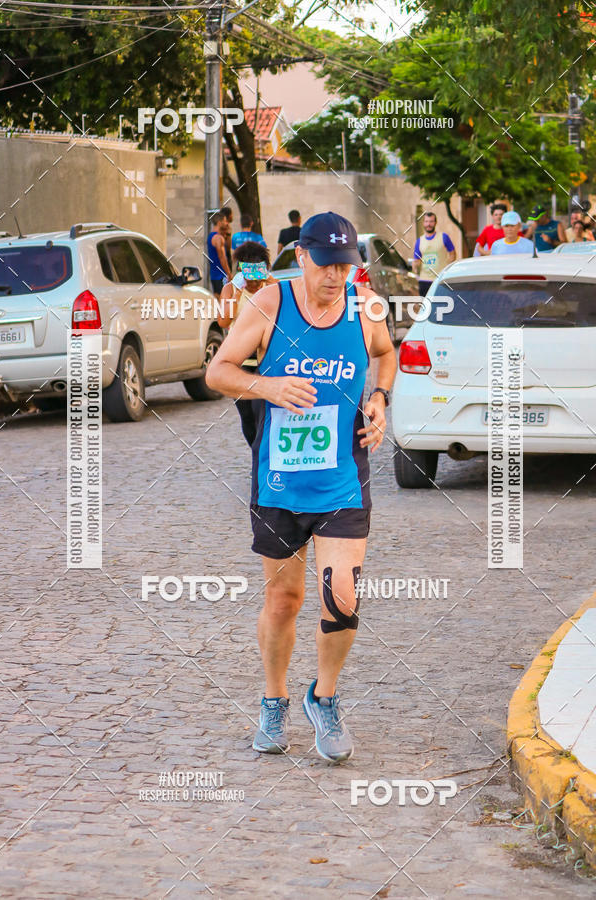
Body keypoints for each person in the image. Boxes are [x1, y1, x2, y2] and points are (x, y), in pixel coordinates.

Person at [206, 211, 396, 763]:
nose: (338, 276)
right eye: (328, 263)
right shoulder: (269, 304)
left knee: (342, 598)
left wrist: (380, 398)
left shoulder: (366, 309)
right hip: (279, 481)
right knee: (284, 600)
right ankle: (273, 699)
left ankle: (325, 697)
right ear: (303, 256)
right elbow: (219, 371)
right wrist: (267, 385)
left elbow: (386, 355)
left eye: (347, 264)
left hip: (342, 477)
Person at [217, 241, 276, 446]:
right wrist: (238, 294)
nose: (254, 285)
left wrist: (270, 282)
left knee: (264, 414)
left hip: (266, 361)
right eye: (250, 279)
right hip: (240, 362)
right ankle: (256, 454)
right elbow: (224, 321)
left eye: (257, 279)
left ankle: (263, 460)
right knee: (248, 417)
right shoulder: (230, 290)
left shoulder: (272, 288)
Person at [413, 212, 456, 296]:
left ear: (435, 222)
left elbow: (453, 254)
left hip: (440, 279)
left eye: (431, 221)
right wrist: (414, 265)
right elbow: (417, 260)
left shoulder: (444, 237)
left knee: (441, 306)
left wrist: (447, 267)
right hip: (424, 281)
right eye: (426, 221)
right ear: (423, 223)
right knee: (426, 307)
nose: (429, 224)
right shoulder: (419, 241)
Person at [207, 212, 232, 297]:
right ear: (219, 222)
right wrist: (229, 273)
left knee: (218, 300)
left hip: (214, 275)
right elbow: (222, 257)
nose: (227, 223)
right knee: (224, 300)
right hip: (221, 275)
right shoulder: (218, 238)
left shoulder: (210, 236)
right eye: (225, 221)